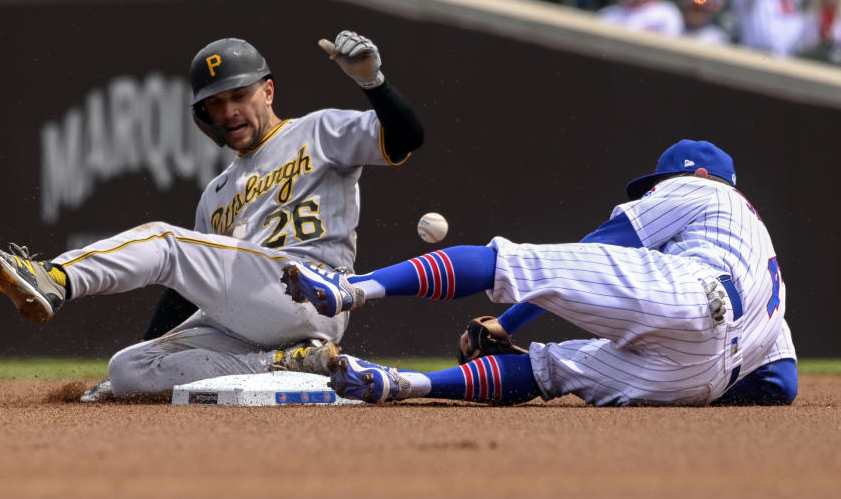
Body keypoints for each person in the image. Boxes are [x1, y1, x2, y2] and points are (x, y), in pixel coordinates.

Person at [0, 30, 424, 400]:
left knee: (164, 241)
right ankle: (293, 364)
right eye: (216, 104)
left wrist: (372, 83)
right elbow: (185, 293)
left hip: (316, 294)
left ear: (269, 90)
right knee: (129, 367)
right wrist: (155, 348)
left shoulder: (319, 130)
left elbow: (407, 137)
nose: (230, 111)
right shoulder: (216, 193)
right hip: (256, 318)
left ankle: (53, 277)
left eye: (239, 95)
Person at [282, 139, 798, 407]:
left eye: (659, 184)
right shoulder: (764, 264)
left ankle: (351, 288)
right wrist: (708, 376)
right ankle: (404, 384)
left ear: (698, 176)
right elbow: (781, 382)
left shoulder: (705, 190)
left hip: (691, 296)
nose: (653, 193)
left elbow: (602, 246)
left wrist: (508, 324)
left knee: (514, 262)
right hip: (701, 377)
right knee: (551, 370)